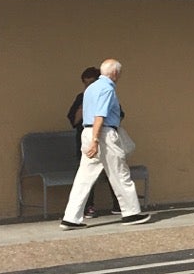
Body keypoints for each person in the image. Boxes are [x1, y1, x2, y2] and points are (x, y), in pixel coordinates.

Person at [60, 59, 149, 227]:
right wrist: (95, 140)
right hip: (103, 134)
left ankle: (70, 217)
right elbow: (99, 115)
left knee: (84, 178)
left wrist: (91, 139)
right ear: (115, 73)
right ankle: (131, 213)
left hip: (87, 132)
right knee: (120, 174)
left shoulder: (90, 89)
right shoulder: (107, 89)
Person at [66, 67, 111, 219]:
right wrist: (84, 105)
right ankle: (88, 207)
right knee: (86, 174)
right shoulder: (81, 97)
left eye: (92, 83)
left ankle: (119, 205)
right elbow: (74, 120)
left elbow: (116, 117)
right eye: (86, 84)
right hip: (85, 140)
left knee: (113, 171)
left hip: (105, 139)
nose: (89, 87)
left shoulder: (106, 95)